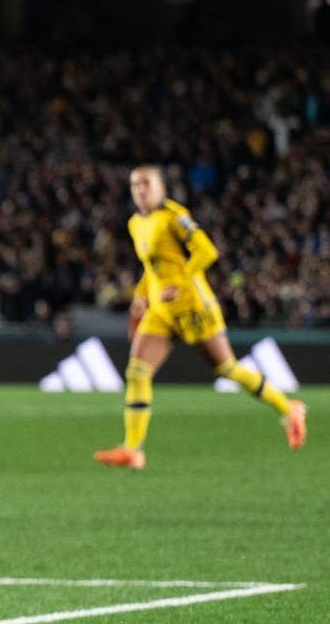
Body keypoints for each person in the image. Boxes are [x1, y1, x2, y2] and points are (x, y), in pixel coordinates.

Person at [94, 165, 306, 469]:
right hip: (161, 309)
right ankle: (132, 449)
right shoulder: (135, 224)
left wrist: (180, 283)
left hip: (194, 306)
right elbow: (153, 269)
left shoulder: (173, 216)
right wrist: (140, 298)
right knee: (137, 373)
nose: (140, 189)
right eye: (135, 184)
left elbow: (207, 252)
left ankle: (289, 407)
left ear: (161, 187)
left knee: (228, 369)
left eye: (147, 183)